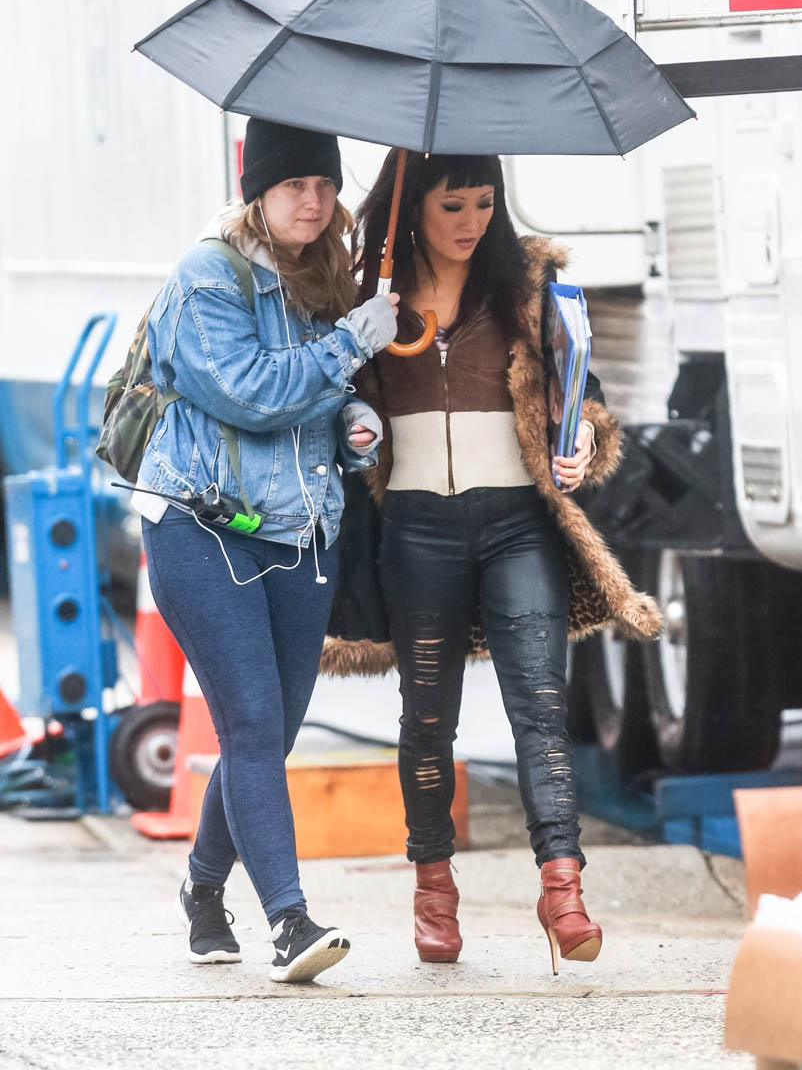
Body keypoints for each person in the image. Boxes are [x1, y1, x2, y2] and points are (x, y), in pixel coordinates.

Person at [323, 149, 661, 974]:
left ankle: (563, 888)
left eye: (484, 202)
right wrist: (354, 415)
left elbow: (584, 396)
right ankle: (433, 889)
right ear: (414, 207)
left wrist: (582, 440)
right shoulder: (370, 296)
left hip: (518, 526)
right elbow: (334, 402)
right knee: (426, 720)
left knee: (541, 710)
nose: (472, 222)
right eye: (453, 206)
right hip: (416, 530)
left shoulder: (530, 287)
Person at [134, 119, 398, 983]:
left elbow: (318, 404)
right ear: (258, 191)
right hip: (201, 525)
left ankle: (203, 889)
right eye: (293, 185)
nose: (313, 202)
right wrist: (351, 343)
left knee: (270, 735)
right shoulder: (207, 277)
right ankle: (289, 919)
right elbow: (250, 395)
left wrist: (356, 425)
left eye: (324, 184)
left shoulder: (323, 276)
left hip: (300, 532)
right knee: (250, 721)